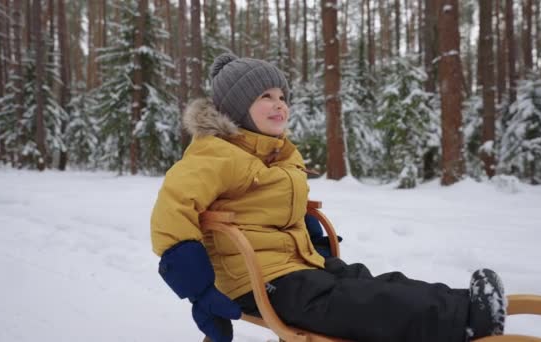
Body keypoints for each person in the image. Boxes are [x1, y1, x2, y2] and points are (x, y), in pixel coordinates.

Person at [150, 53, 506, 342]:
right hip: (256, 281)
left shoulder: (278, 155)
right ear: (236, 110)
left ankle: (462, 303)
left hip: (298, 265)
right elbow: (171, 216)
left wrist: (314, 241)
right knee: (355, 303)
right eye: (265, 97)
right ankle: (462, 319)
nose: (279, 105)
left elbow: (280, 207)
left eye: (282, 97)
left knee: (367, 282)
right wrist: (201, 292)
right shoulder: (214, 155)